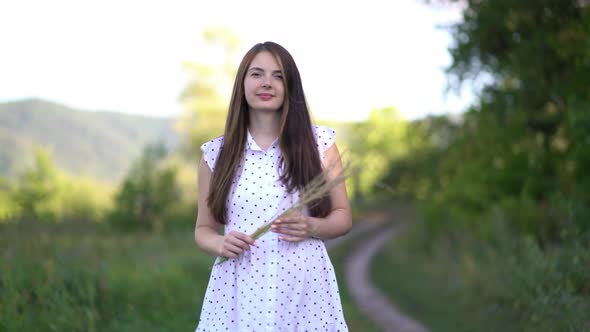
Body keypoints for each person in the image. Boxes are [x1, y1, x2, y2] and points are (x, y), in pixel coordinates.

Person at [194, 41, 352, 332]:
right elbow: (204, 230)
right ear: (242, 83)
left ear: (290, 85)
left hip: (305, 289)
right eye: (257, 74)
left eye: (278, 75)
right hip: (238, 290)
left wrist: (311, 226)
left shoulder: (319, 145)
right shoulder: (216, 154)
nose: (267, 83)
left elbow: (342, 216)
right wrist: (220, 243)